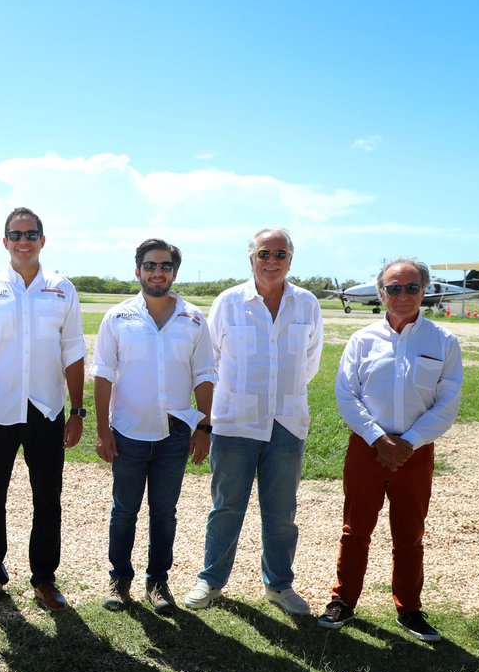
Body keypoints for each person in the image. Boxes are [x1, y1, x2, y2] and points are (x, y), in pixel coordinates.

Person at [319, 258, 462, 641]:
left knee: (410, 534)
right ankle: (343, 600)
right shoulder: (362, 340)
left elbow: (447, 404)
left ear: (424, 290)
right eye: (394, 288)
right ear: (381, 292)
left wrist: (408, 442)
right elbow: (346, 394)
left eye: (411, 287)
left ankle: (409, 609)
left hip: (415, 452)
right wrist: (377, 438)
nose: (402, 295)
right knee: (355, 530)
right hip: (367, 448)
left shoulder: (443, 341)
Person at [184, 227, 323, 616]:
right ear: (251, 259)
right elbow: (210, 361)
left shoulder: (307, 303)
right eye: (264, 253)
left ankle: (279, 585)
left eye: (280, 254)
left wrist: (280, 394)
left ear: (290, 260)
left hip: (287, 423)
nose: (272, 261)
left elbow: (309, 363)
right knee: (226, 507)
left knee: (282, 512)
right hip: (235, 423)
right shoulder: (229, 302)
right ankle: (211, 580)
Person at [0, 207, 86, 611]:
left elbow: (73, 351)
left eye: (31, 234)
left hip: (46, 410)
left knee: (47, 498)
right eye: (16, 235)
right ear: (5, 242)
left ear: (42, 240)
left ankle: (44, 579)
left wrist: (77, 411)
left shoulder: (62, 289)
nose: (23, 241)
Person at [92, 239, 216, 615]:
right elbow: (103, 374)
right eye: (150, 265)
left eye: (164, 266)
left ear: (174, 273)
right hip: (127, 431)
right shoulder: (118, 317)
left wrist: (204, 428)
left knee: (165, 513)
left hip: (174, 434)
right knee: (124, 510)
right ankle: (119, 579)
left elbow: (204, 374)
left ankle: (158, 582)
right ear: (138, 271)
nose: (157, 272)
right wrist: (102, 430)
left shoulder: (193, 319)